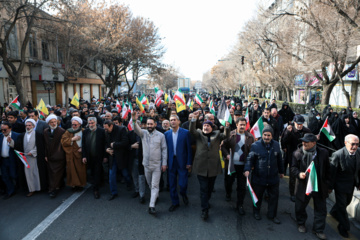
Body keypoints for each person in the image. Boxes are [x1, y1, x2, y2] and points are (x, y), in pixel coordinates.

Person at [190, 110, 230, 220]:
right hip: (201, 166)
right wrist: (194, 119)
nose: (206, 127)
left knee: (209, 188)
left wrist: (226, 127)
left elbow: (226, 135)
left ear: (212, 128)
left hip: (213, 167)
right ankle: (204, 210)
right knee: (203, 188)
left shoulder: (217, 135)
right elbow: (192, 130)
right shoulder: (198, 134)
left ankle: (206, 200)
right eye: (205, 125)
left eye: (208, 126)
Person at [291, 133, 330, 240]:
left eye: (306, 142)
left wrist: (328, 185)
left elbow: (328, 169)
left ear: (314, 143)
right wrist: (299, 174)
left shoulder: (323, 153)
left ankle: (318, 229)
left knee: (321, 208)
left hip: (319, 185)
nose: (303, 143)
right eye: (303, 141)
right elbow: (293, 168)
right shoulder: (297, 153)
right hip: (303, 185)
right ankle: (301, 223)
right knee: (300, 206)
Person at [244, 126, 284, 224]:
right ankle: (256, 212)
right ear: (262, 135)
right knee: (258, 196)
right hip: (259, 177)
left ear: (272, 136)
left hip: (273, 177)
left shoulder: (276, 145)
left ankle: (272, 215)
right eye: (265, 135)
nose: (266, 137)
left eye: (268, 135)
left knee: (274, 198)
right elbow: (250, 159)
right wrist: (247, 169)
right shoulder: (255, 145)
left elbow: (279, 159)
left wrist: (281, 171)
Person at [132, 111, 167, 215]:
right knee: (150, 184)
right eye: (148, 124)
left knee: (155, 185)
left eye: (151, 124)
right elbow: (136, 129)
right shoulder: (143, 133)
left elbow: (164, 150)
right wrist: (134, 120)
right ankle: (155, 196)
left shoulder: (161, 135)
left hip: (157, 165)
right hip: (146, 164)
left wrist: (164, 163)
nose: (149, 126)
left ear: (155, 125)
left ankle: (151, 206)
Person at [221, 117, 255, 215]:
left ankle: (239, 205)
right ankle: (228, 193)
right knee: (229, 181)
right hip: (231, 165)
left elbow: (252, 152)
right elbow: (223, 146)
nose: (242, 126)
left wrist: (251, 165)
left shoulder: (250, 137)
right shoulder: (230, 135)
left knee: (241, 187)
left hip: (243, 166)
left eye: (244, 125)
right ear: (236, 125)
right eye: (241, 124)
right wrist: (227, 154)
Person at [329, 134, 360, 238]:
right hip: (340, 186)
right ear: (345, 143)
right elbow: (332, 173)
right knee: (342, 207)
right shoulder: (338, 155)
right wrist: (330, 187)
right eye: (352, 144)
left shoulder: (358, 152)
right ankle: (344, 227)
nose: (355, 147)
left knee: (347, 202)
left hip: (351, 185)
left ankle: (333, 212)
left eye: (357, 144)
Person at [164, 115, 192, 212]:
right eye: (171, 120)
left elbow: (189, 149)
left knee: (183, 184)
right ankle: (175, 202)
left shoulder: (185, 133)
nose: (172, 122)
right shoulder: (166, 134)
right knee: (172, 184)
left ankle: (183, 194)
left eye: (174, 120)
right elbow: (165, 150)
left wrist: (189, 162)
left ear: (179, 121)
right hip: (171, 162)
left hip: (182, 162)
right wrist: (164, 162)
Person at [281, 115, 312, 202]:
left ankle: (303, 190)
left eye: (301, 124)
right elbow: (283, 141)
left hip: (304, 155)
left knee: (304, 173)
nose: (299, 126)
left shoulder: (307, 131)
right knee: (293, 174)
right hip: (292, 155)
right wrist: (287, 132)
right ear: (294, 123)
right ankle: (292, 193)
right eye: (298, 124)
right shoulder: (289, 130)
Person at [103, 120, 130, 201]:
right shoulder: (106, 132)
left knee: (125, 173)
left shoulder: (121, 130)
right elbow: (105, 143)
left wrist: (115, 145)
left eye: (106, 128)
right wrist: (106, 149)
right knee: (111, 175)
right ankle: (113, 192)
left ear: (111, 126)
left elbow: (126, 142)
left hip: (121, 157)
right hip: (112, 157)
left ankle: (129, 184)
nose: (105, 130)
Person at [82, 116, 106, 199]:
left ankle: (96, 189)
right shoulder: (85, 131)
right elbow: (83, 144)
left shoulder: (101, 131)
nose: (91, 125)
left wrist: (105, 156)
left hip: (98, 156)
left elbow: (104, 144)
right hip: (89, 156)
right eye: (89, 123)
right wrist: (84, 156)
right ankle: (98, 182)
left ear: (96, 123)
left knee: (97, 171)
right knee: (92, 171)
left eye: (92, 123)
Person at [16, 119, 41, 197]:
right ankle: (31, 189)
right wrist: (11, 142)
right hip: (25, 158)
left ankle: (37, 188)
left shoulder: (37, 134)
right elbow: (18, 146)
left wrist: (33, 152)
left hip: (34, 157)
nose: (28, 127)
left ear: (33, 126)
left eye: (29, 125)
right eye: (27, 125)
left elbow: (39, 146)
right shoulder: (23, 135)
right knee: (28, 174)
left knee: (35, 173)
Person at [61, 116, 86, 191]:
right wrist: (72, 139)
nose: (74, 126)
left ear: (79, 124)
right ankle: (73, 185)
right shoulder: (68, 131)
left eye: (75, 124)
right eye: (73, 124)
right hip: (71, 154)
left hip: (80, 154)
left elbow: (87, 142)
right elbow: (63, 141)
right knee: (71, 170)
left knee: (80, 170)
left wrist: (83, 148)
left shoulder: (83, 131)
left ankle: (81, 185)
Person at [44, 114, 66, 198]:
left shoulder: (61, 131)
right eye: (51, 122)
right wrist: (46, 155)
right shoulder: (45, 131)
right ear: (48, 123)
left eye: (55, 122)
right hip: (49, 156)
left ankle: (53, 189)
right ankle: (57, 186)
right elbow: (45, 144)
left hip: (59, 156)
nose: (54, 123)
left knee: (56, 173)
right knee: (51, 173)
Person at [0, 122, 19, 199]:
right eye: (1, 130)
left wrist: (11, 142)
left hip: (12, 160)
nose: (3, 131)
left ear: (10, 128)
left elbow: (19, 147)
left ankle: (17, 187)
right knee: (5, 176)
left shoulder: (16, 136)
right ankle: (10, 191)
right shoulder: (0, 136)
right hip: (3, 160)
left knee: (13, 175)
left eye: (5, 129)